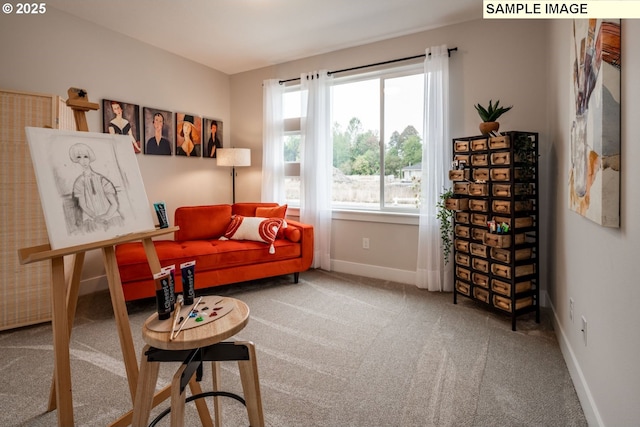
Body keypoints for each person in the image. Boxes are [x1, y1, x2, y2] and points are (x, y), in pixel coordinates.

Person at [69, 143, 124, 233]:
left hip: (111, 217)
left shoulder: (102, 179)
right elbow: (83, 205)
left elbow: (114, 204)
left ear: (90, 157)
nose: (83, 160)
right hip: (91, 219)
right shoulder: (79, 182)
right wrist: (96, 217)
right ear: (76, 160)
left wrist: (106, 216)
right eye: (79, 157)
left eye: (86, 156)